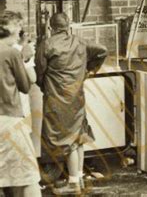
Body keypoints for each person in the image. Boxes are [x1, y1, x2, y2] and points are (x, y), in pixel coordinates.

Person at [35, 13, 108, 195]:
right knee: (78, 135)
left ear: (51, 28)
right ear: (68, 26)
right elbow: (103, 50)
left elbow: (39, 73)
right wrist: (89, 70)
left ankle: (74, 183)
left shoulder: (47, 45)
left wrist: (46, 85)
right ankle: (79, 178)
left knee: (66, 139)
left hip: (57, 97)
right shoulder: (80, 42)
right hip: (76, 95)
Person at [0, 11, 41, 197]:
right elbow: (25, 86)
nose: (20, 30)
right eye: (18, 26)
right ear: (8, 28)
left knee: (5, 175)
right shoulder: (11, 52)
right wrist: (24, 59)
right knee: (27, 174)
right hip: (9, 116)